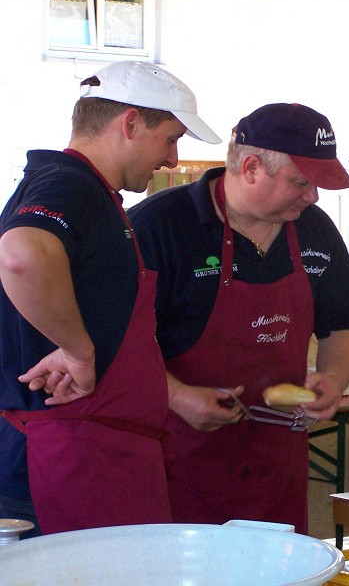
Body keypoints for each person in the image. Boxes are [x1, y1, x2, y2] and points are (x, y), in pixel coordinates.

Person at [126, 103, 349, 533]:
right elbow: (114, 343)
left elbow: (346, 320)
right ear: (253, 167)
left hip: (274, 467)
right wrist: (179, 397)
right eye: (302, 182)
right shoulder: (157, 227)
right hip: (175, 462)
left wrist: (333, 378)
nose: (313, 196)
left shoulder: (315, 229)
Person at [0, 61, 220, 536]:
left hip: (98, 454)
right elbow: (21, 254)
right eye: (170, 138)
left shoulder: (90, 193)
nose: (172, 160)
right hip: (65, 459)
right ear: (131, 123)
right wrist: (78, 350)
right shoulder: (69, 185)